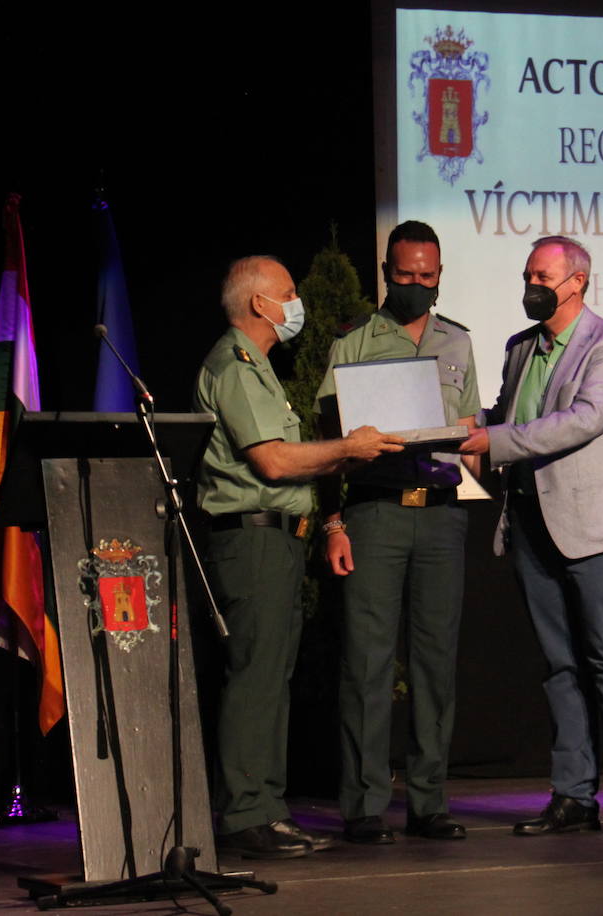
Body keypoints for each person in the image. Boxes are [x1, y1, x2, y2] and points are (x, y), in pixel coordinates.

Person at [196, 255, 404, 860]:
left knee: (272, 679)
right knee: (256, 677)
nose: (295, 304)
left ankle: (266, 808)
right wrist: (347, 446)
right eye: (288, 294)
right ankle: (243, 814)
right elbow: (274, 462)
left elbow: (293, 458)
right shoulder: (235, 365)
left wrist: (355, 454)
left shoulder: (258, 366)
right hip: (251, 538)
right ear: (260, 304)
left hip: (277, 538)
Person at [460, 235, 603, 838]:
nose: (532, 286)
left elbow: (584, 420)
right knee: (558, 665)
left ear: (576, 281)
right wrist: (459, 423)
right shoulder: (520, 346)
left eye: (542, 275)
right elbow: (507, 415)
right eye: (527, 275)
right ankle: (573, 794)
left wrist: (494, 440)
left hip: (597, 529)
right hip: (529, 522)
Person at [315, 221, 481, 844]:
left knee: (436, 665)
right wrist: (333, 522)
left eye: (427, 277)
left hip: (439, 514)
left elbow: (470, 426)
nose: (417, 286)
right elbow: (330, 443)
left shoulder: (458, 342)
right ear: (387, 271)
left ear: (440, 276)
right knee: (368, 664)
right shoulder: (355, 341)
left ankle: (429, 803)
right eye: (406, 275)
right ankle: (363, 807)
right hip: (375, 513)